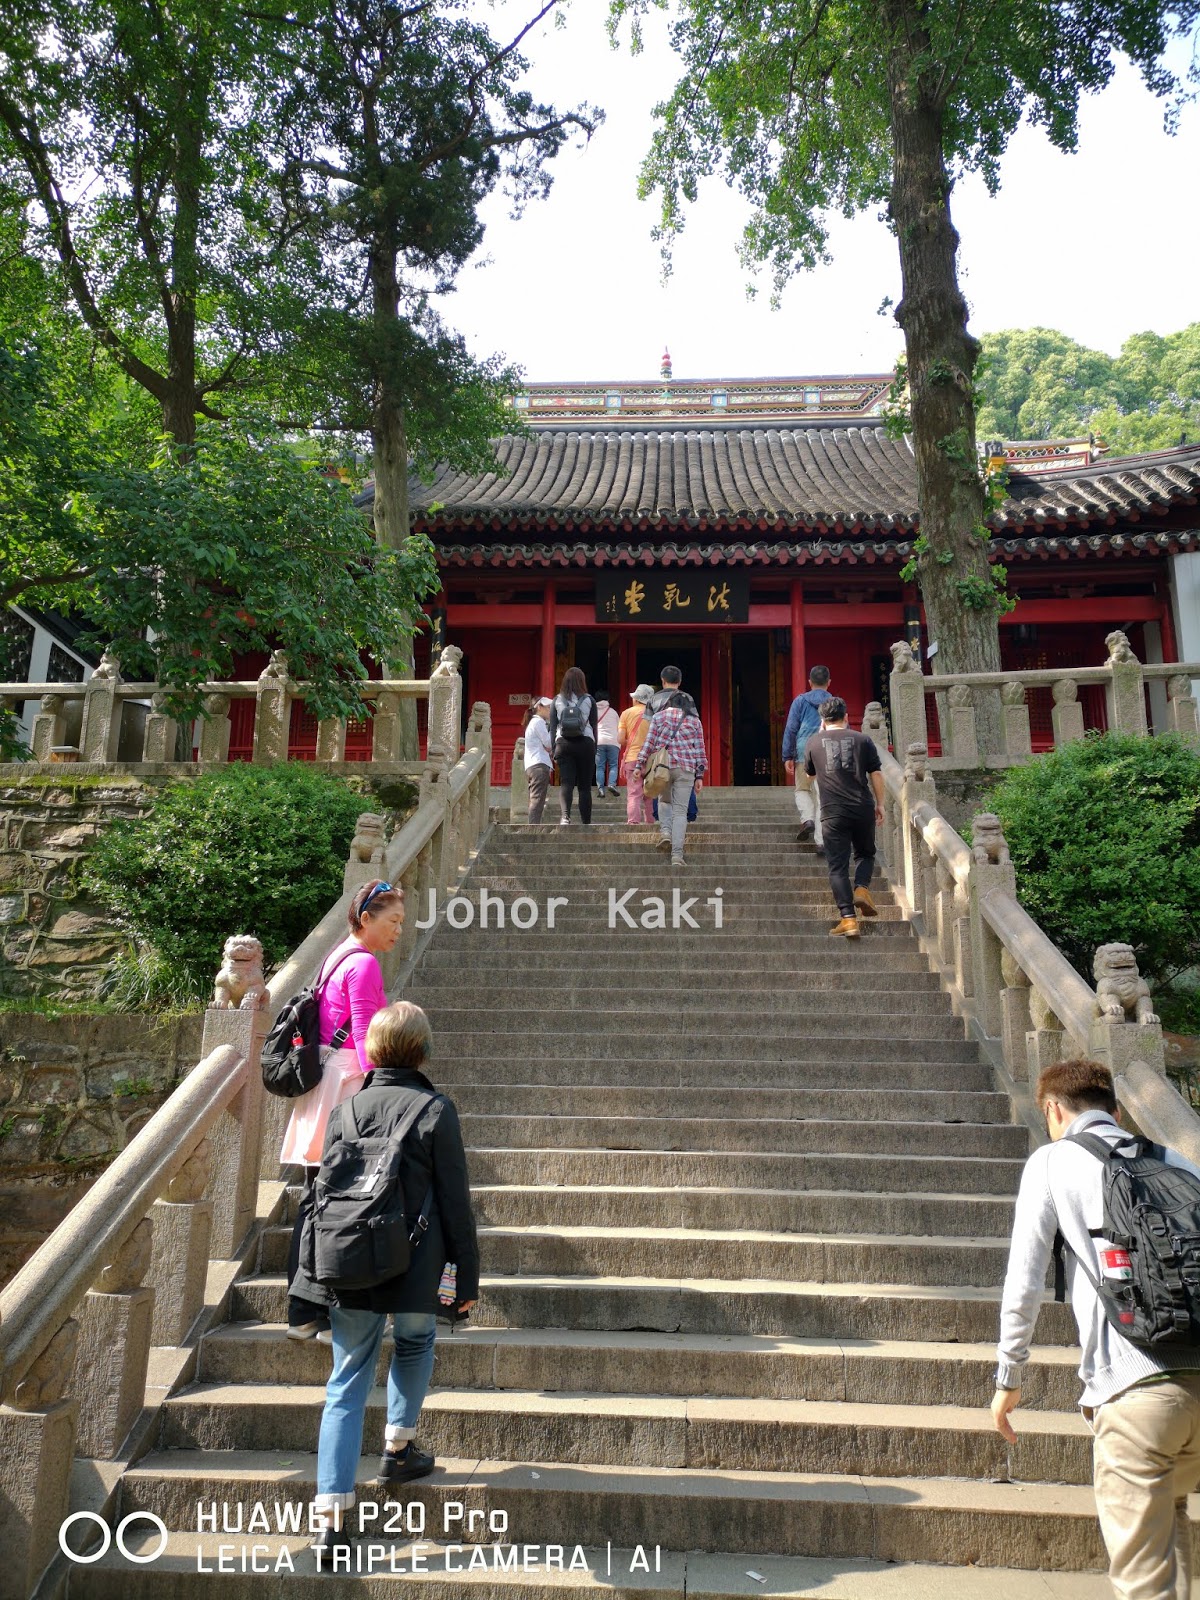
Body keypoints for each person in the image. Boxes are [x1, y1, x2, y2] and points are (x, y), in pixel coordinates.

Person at [992, 1060, 1200, 1600]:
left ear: (1053, 1110)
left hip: (1135, 1392)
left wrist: (1009, 1374)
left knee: (1143, 1582)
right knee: (1172, 1518)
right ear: (1117, 1112)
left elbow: (1025, 1278)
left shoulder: (1052, 1162)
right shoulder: (1173, 1159)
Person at [298, 1000, 479, 1556]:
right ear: (422, 1051)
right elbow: (455, 1202)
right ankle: (398, 1449)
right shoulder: (435, 1109)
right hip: (416, 1263)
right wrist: (466, 1280)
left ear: (373, 1050)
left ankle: (331, 1517)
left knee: (347, 1377)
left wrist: (307, 1277)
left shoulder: (345, 1110)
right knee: (416, 1341)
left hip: (350, 1259)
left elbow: (319, 1194)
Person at [281, 879, 405, 1342]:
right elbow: (367, 1033)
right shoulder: (365, 962)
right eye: (393, 921)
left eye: (402, 923)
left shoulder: (337, 955)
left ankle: (305, 1310)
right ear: (366, 918)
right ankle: (319, 1308)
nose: (398, 930)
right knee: (334, 1198)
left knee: (316, 1195)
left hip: (327, 1079)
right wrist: (382, 1089)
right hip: (348, 1084)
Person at [803, 696, 884, 939]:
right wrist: (880, 804)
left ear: (822, 720)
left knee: (837, 866)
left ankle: (848, 919)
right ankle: (861, 888)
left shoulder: (813, 742)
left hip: (832, 812)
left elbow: (809, 776)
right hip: (861, 807)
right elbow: (876, 773)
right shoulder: (863, 740)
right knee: (865, 853)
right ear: (846, 717)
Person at [634, 678, 707, 868]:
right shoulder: (695, 721)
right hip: (686, 769)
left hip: (663, 767)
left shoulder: (659, 717)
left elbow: (649, 743)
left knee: (664, 801)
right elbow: (700, 749)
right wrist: (700, 775)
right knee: (681, 812)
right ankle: (677, 856)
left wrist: (639, 765)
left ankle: (665, 832)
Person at [782, 665, 832, 851]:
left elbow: (791, 729)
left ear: (809, 682)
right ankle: (821, 841)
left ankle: (807, 819)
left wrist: (787, 755)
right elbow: (842, 728)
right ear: (829, 682)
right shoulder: (834, 702)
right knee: (822, 796)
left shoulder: (800, 701)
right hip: (826, 751)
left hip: (804, 750)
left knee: (802, 789)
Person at [550, 666, 597, 825]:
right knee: (584, 786)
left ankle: (565, 817)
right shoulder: (589, 700)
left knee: (566, 783)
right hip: (586, 743)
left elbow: (553, 727)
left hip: (564, 743)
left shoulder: (557, 700)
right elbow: (594, 726)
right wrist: (594, 748)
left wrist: (554, 749)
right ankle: (586, 821)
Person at [619, 684, 656, 824]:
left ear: (636, 699)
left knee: (634, 794)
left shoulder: (626, 713)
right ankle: (650, 822)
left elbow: (620, 739)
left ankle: (633, 822)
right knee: (650, 794)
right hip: (651, 759)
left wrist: (631, 742)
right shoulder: (655, 715)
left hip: (633, 758)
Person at [522, 697, 553, 824]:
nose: (550, 710)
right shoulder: (538, 722)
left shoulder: (534, 723)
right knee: (537, 799)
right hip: (539, 764)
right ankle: (533, 828)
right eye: (548, 707)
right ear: (539, 707)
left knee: (536, 798)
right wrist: (554, 730)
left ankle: (533, 826)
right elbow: (548, 743)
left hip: (532, 765)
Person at [594, 691, 621, 798]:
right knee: (613, 765)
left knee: (600, 767)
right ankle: (611, 784)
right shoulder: (613, 712)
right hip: (613, 742)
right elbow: (619, 727)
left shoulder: (594, 712)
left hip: (599, 741)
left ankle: (601, 789)